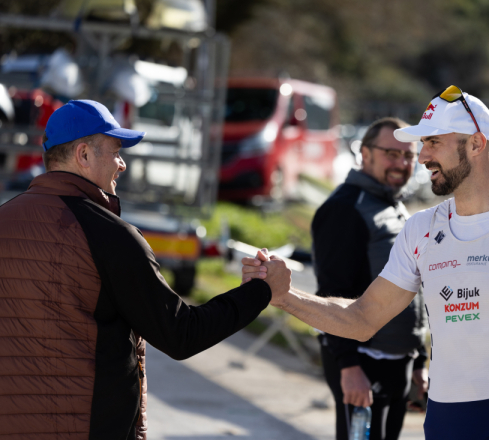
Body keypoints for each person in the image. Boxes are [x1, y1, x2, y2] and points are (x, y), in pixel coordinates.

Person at [243, 86, 489, 440]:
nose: (422, 156)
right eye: (423, 143)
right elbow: (362, 319)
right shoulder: (421, 229)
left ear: (475, 144)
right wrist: (285, 295)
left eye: (434, 142)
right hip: (442, 423)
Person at [0, 100, 280, 439]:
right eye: (116, 151)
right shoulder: (110, 235)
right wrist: (261, 290)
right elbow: (181, 335)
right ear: (84, 155)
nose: (122, 165)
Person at [312, 117, 428, 440]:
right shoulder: (345, 209)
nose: (401, 164)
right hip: (362, 365)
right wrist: (348, 367)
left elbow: (410, 292)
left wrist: (418, 360)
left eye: (409, 156)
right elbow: (331, 294)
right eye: (391, 153)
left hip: (397, 365)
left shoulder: (394, 207)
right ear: (365, 153)